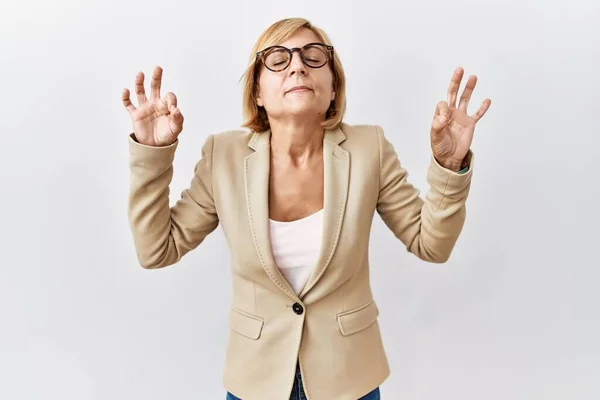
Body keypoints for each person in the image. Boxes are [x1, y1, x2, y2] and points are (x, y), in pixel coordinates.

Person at [122, 17, 491, 400]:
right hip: (256, 381)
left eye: (314, 57)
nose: (297, 65)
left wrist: (448, 166)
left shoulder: (370, 149)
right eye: (278, 59)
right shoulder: (224, 156)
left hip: (350, 381)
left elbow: (431, 244)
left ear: (333, 88)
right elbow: (155, 250)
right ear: (258, 92)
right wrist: (152, 154)